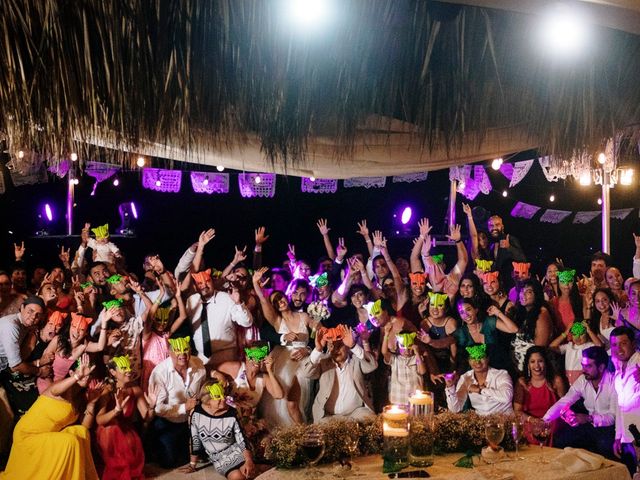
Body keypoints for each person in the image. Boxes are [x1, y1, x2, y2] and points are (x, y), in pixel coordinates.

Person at [1, 353, 101, 480]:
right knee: (69, 442)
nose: (86, 377)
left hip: (47, 436)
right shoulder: (59, 386)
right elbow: (55, 390)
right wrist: (77, 376)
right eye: (83, 373)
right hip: (28, 434)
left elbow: (85, 427)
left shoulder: (79, 397)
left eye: (89, 375)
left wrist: (91, 404)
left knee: (81, 433)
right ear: (71, 373)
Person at [252, 267, 313, 426]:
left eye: (281, 298)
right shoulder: (277, 322)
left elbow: (318, 332)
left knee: (298, 402)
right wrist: (256, 284)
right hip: (285, 361)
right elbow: (263, 301)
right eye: (276, 302)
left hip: (305, 360)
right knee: (286, 401)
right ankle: (293, 432)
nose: (280, 302)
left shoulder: (303, 316)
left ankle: (303, 430)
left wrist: (308, 349)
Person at [543, 346, 617, 459]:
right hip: (590, 426)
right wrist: (544, 420)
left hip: (609, 428)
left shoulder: (614, 383)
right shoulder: (583, 380)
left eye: (588, 366)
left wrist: (588, 418)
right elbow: (565, 401)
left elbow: (612, 418)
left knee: (604, 444)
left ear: (601, 367)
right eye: (583, 365)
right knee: (560, 439)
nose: (583, 370)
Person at [147, 336, 207, 469]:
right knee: (168, 462)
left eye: (186, 350)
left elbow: (203, 389)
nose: (182, 355)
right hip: (168, 422)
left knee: (203, 455)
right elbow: (159, 408)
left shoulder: (199, 365)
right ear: (170, 352)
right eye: (177, 351)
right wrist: (184, 407)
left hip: (192, 421)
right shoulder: (160, 372)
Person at [95, 355, 156, 480]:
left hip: (127, 430)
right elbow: (99, 420)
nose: (129, 370)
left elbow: (147, 418)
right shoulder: (107, 390)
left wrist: (152, 407)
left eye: (129, 367)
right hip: (108, 430)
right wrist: (116, 411)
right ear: (113, 372)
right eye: (124, 368)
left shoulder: (135, 389)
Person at [301, 326, 377, 422]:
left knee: (370, 418)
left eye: (340, 345)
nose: (336, 350)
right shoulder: (323, 362)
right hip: (328, 416)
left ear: (347, 346)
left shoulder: (356, 360)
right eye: (332, 346)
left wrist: (353, 346)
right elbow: (306, 373)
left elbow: (372, 365)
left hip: (355, 413)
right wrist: (318, 350)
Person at [184, 380, 255, 479]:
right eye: (218, 397)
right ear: (207, 400)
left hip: (238, 452)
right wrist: (192, 464)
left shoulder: (232, 414)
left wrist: (248, 460)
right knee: (237, 477)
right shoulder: (196, 414)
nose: (223, 399)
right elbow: (195, 440)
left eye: (223, 395)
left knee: (249, 473)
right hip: (219, 459)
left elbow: (242, 440)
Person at [187, 268, 253, 368]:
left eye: (207, 281)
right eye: (199, 283)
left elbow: (247, 322)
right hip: (201, 359)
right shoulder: (191, 301)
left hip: (226, 357)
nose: (204, 285)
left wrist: (238, 303)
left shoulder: (226, 298)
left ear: (213, 282)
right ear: (195, 286)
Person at [0, 296, 48, 416]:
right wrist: (40, 371)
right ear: (21, 308)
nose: (33, 317)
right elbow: (16, 365)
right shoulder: (11, 326)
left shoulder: (26, 325)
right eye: (30, 311)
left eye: (38, 315)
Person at [513, 346, 566, 444]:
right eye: (532, 362)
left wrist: (545, 422)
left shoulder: (556, 381)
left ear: (545, 363)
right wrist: (533, 420)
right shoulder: (523, 383)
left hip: (552, 422)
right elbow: (517, 411)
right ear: (528, 365)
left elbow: (565, 407)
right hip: (530, 422)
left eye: (540, 361)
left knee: (552, 428)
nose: (537, 366)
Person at [453, 297, 518, 372]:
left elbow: (514, 329)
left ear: (476, 310)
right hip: (476, 371)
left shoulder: (488, 322)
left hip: (498, 369)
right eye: (461, 312)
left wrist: (498, 313)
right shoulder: (460, 332)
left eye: (468, 310)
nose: (466, 315)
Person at [445, 343, 513, 415]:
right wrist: (450, 387)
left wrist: (480, 390)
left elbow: (506, 398)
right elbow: (455, 409)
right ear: (468, 361)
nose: (477, 362)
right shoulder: (466, 378)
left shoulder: (501, 375)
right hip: (482, 423)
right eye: (473, 358)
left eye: (481, 357)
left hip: (505, 421)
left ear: (487, 359)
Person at [610, 326, 640, 475]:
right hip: (627, 437)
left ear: (633, 344)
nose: (618, 348)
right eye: (614, 344)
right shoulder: (618, 368)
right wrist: (618, 437)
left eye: (624, 343)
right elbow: (619, 406)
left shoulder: (638, 362)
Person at [511, 280, 554, 372]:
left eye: (529, 292)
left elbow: (539, 348)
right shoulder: (522, 312)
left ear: (537, 294)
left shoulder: (542, 314)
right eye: (522, 291)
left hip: (533, 370)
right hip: (518, 367)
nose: (523, 295)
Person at [549, 321, 602, 385]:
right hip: (569, 384)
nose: (577, 337)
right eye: (574, 334)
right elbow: (552, 347)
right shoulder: (569, 346)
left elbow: (600, 346)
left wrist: (589, 331)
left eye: (581, 334)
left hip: (583, 384)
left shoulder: (589, 346)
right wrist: (565, 333)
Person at [486, 215, 526, 289]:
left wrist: (509, 247)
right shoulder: (490, 245)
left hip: (511, 285)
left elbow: (522, 258)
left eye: (497, 225)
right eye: (491, 225)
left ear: (502, 226)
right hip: (497, 285)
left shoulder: (510, 239)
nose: (494, 228)